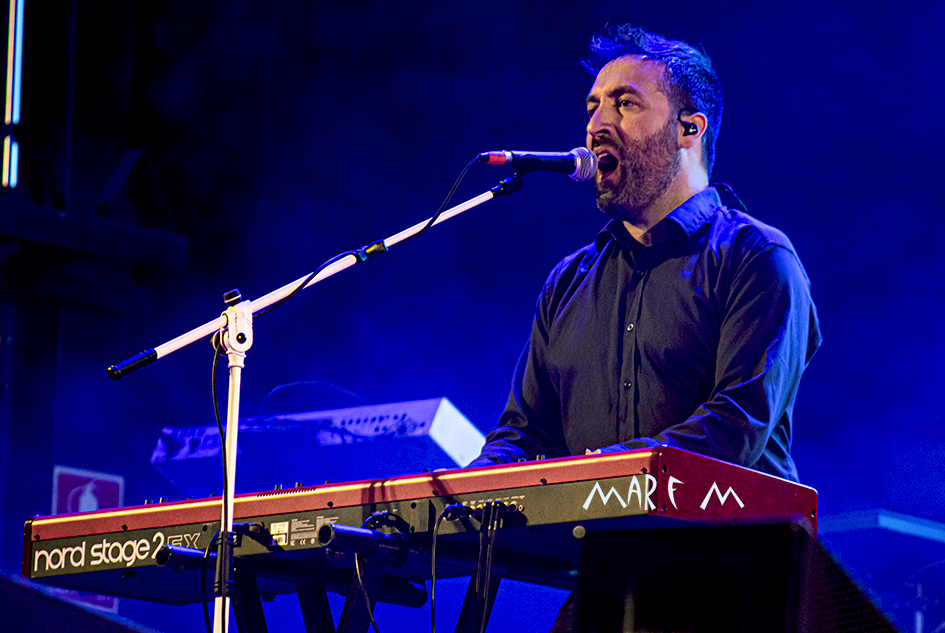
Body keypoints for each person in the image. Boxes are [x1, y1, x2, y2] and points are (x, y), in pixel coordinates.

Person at [468, 25, 821, 628]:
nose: (597, 124)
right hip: (608, 584)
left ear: (689, 128)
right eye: (592, 106)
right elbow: (523, 433)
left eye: (626, 103)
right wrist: (458, 497)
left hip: (736, 590)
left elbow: (734, 427)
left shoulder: (758, 258)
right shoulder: (568, 281)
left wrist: (597, 476)